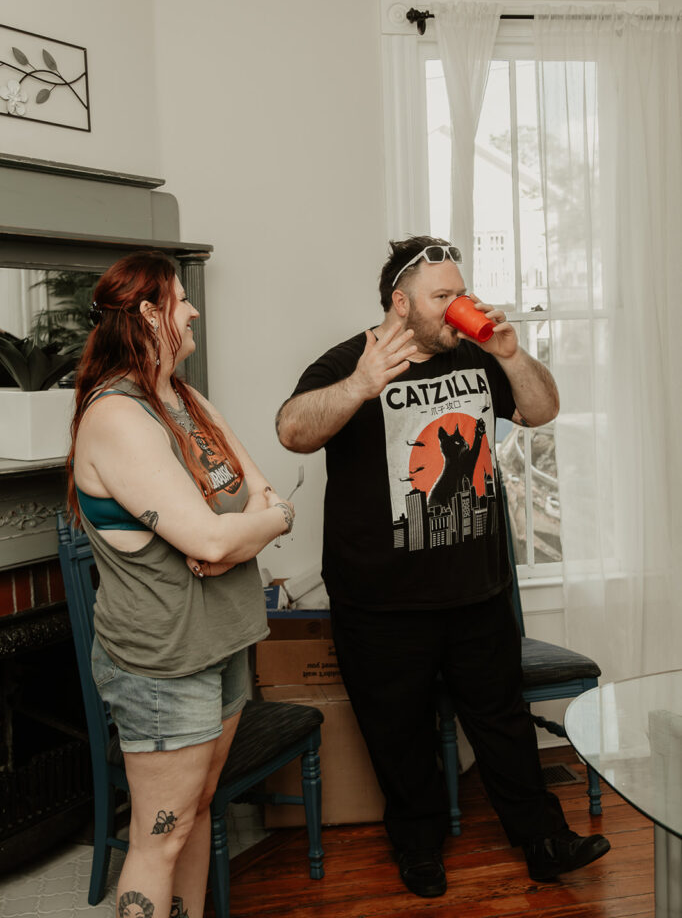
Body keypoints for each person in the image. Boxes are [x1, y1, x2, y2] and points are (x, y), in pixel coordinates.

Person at [276, 236, 610, 898]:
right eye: (443, 296)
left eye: (461, 290)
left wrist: (512, 355)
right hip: (380, 599)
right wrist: (361, 387)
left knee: (502, 722)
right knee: (399, 736)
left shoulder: (479, 356)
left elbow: (542, 410)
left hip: (474, 589)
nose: (461, 304)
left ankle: (544, 840)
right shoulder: (351, 361)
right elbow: (293, 430)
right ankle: (419, 847)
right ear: (401, 303)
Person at [68, 250, 294, 918]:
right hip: (164, 665)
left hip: (219, 641)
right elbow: (219, 535)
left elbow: (269, 496)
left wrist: (258, 523)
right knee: (158, 839)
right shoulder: (116, 417)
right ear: (147, 313)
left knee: (194, 814)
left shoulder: (185, 398)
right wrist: (246, 530)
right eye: (181, 298)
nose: (194, 309)